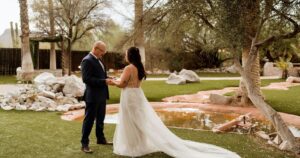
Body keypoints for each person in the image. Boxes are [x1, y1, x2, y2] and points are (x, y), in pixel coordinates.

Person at [112, 47, 240, 158]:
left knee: (129, 120)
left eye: (126, 54)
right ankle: (139, 144)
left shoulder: (128, 68)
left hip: (129, 96)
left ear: (130, 56)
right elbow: (131, 82)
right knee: (139, 120)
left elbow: (122, 84)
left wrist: (112, 82)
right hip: (138, 95)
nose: (125, 56)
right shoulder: (139, 67)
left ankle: (132, 147)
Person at [80, 41, 114, 153]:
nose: (103, 54)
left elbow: (101, 75)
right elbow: (87, 79)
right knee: (89, 120)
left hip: (102, 95)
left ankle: (101, 139)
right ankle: (84, 144)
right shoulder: (87, 60)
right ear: (96, 48)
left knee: (101, 119)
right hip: (92, 96)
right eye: (102, 51)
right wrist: (104, 81)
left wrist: (108, 77)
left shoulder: (99, 60)